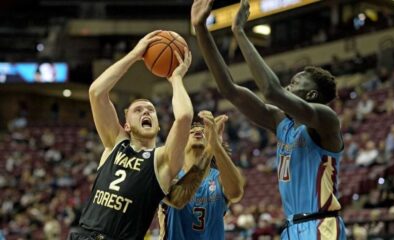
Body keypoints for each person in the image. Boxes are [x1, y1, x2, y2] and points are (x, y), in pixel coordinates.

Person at [191, 0, 346, 239]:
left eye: (295, 83)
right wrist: (201, 28)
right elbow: (229, 90)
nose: (288, 85)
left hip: (321, 225)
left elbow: (272, 90)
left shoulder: (326, 119)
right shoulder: (280, 122)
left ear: (311, 95)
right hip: (290, 228)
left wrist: (240, 32)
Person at [69, 30, 194, 240]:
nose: (146, 111)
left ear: (158, 126)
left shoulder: (162, 160)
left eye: (151, 110)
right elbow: (97, 92)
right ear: (126, 125)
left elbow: (184, 117)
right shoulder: (114, 144)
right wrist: (135, 55)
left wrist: (176, 79)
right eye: (138, 110)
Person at [158, 110, 244, 240]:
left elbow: (236, 193)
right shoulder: (170, 173)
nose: (197, 131)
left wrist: (216, 146)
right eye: (191, 131)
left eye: (203, 132)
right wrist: (211, 145)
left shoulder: (219, 177)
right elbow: (177, 197)